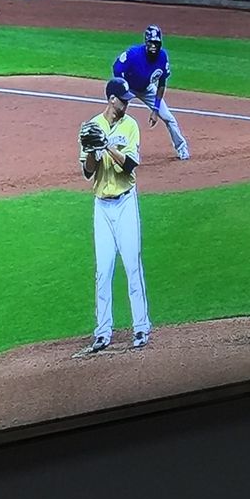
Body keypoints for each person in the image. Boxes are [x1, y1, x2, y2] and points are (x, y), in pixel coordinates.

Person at [76, 79, 152, 355]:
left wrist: (107, 145)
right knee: (103, 270)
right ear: (110, 99)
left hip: (125, 204)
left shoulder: (131, 126)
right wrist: (93, 151)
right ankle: (102, 332)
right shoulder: (90, 127)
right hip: (102, 207)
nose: (126, 103)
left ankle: (141, 327)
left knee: (132, 265)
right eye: (122, 99)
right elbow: (88, 172)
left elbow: (130, 165)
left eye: (127, 99)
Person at [112, 25, 190, 159]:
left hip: (147, 89)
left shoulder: (163, 57)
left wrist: (155, 110)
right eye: (151, 43)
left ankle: (182, 148)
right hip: (128, 87)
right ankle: (110, 148)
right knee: (115, 115)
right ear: (146, 42)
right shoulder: (133, 54)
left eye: (156, 43)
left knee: (168, 118)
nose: (154, 46)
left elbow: (162, 83)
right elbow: (117, 68)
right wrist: (122, 89)